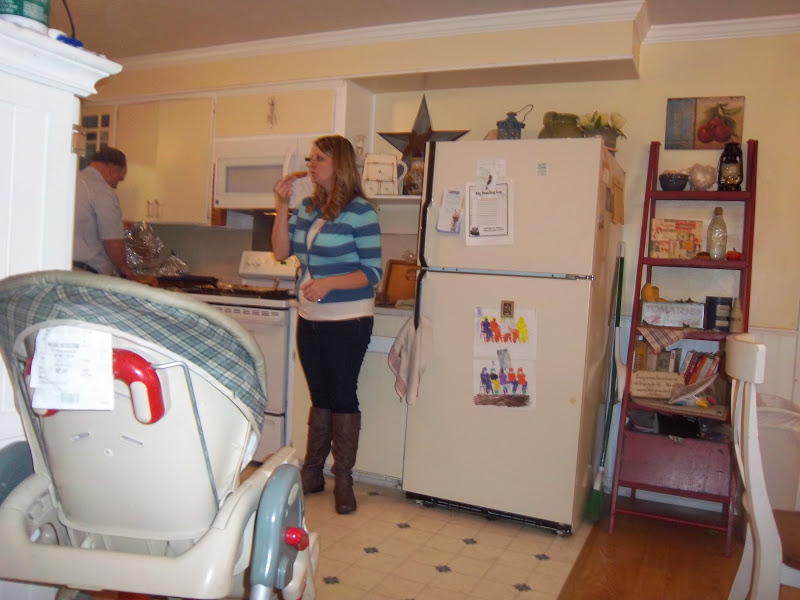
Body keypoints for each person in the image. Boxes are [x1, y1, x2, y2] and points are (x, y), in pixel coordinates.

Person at [272, 135, 382, 514]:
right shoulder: (307, 208)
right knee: (320, 396)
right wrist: (281, 206)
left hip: (348, 318)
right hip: (310, 316)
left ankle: (344, 480)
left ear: (340, 164)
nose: (311, 164)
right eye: (311, 158)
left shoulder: (361, 212)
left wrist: (329, 284)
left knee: (342, 394)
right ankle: (313, 472)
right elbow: (281, 252)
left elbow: (372, 272)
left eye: (319, 158)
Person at [72, 147, 137, 279]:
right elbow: (113, 242)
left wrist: (119, 225)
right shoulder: (102, 190)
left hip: (67, 270)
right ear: (113, 169)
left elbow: (83, 224)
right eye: (119, 179)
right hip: (87, 275)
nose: (116, 186)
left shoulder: (72, 180)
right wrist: (125, 270)